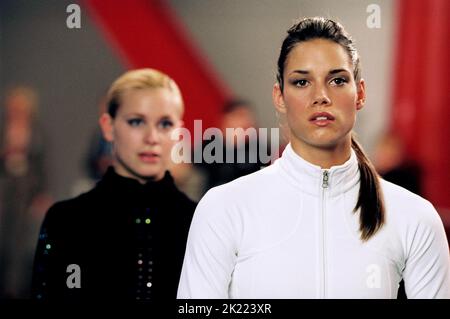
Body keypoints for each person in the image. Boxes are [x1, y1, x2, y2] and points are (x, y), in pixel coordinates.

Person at [177, 17, 450, 299]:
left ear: (360, 94)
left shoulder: (414, 217)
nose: (321, 96)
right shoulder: (223, 209)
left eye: (337, 80)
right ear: (279, 97)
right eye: (302, 81)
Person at [32, 68, 196, 300]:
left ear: (179, 131)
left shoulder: (200, 220)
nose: (152, 137)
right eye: (137, 121)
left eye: (165, 124)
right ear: (108, 126)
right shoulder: (66, 220)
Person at [0, 86, 51, 298]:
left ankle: (16, 286)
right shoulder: (3, 128)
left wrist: (42, 193)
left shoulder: (36, 131)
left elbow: (42, 164)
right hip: (5, 186)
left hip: (26, 188)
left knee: (21, 238)